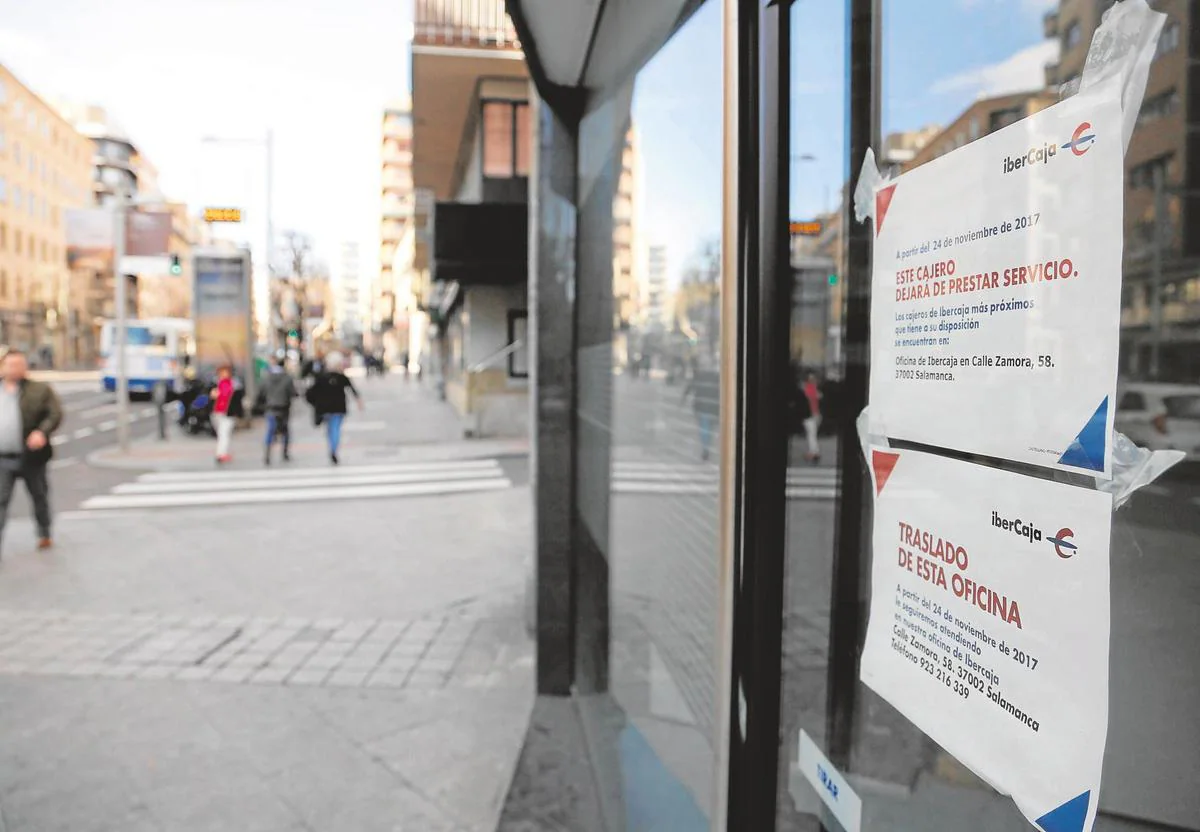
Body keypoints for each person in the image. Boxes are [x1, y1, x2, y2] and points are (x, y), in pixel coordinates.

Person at [0, 349, 63, 556]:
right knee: (1, 500)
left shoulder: (39, 390)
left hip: (31, 456)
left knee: (39, 495)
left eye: (20, 364)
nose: (16, 369)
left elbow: (54, 413)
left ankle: (44, 532)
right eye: (11, 365)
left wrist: (41, 432)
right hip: (3, 458)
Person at [305, 353, 362, 464]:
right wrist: (359, 401)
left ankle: (332, 448)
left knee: (330, 429)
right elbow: (352, 389)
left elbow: (309, 393)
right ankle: (333, 449)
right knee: (335, 429)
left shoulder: (321, 378)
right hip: (338, 408)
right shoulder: (341, 377)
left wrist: (314, 404)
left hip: (325, 409)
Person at [258, 357, 298, 465]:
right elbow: (293, 393)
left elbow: (260, 393)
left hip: (270, 407)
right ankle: (284, 452)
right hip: (284, 408)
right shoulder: (287, 378)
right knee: (285, 431)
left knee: (270, 431)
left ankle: (267, 454)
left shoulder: (266, 378)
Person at [681, 356, 720, 462]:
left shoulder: (698, 376)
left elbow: (689, 388)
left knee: (705, 428)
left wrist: (683, 400)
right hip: (712, 406)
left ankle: (706, 447)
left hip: (703, 406)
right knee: (708, 428)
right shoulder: (716, 376)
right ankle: (706, 447)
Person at [211, 365, 236, 464]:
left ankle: (221, 453)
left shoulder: (223, 383)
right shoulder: (225, 383)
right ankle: (221, 454)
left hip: (221, 412)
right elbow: (223, 396)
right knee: (223, 434)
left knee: (223, 434)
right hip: (223, 412)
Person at [802, 371, 823, 464]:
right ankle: (814, 452)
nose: (814, 381)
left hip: (810, 414)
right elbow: (815, 399)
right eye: (812, 379)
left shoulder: (808, 388)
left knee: (811, 434)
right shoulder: (810, 388)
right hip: (811, 414)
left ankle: (814, 452)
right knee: (812, 434)